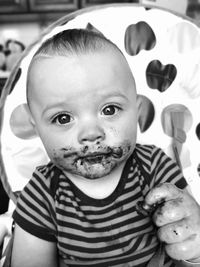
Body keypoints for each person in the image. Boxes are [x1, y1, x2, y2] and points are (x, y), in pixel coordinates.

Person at [10, 28, 200, 267]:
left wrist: (194, 249)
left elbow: (190, 235)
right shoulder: (43, 194)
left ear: (137, 111)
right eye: (63, 118)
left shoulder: (155, 167)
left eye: (109, 110)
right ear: (35, 127)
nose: (91, 134)